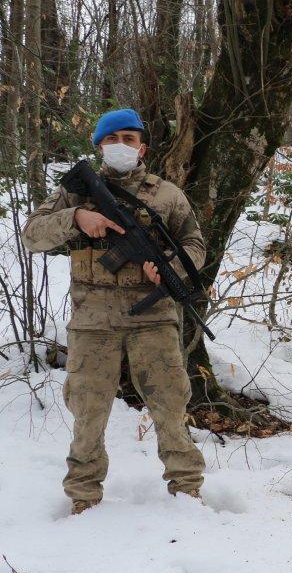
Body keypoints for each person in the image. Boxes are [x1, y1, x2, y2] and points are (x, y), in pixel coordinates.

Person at [21, 108, 207, 514]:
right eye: (112, 139)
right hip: (93, 322)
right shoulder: (76, 192)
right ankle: (84, 498)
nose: (121, 146)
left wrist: (169, 268)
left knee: (171, 405)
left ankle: (187, 491)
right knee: (87, 411)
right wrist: (76, 217)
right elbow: (32, 235)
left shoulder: (167, 194)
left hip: (153, 318)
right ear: (99, 146)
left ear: (143, 148)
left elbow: (194, 243)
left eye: (129, 138)